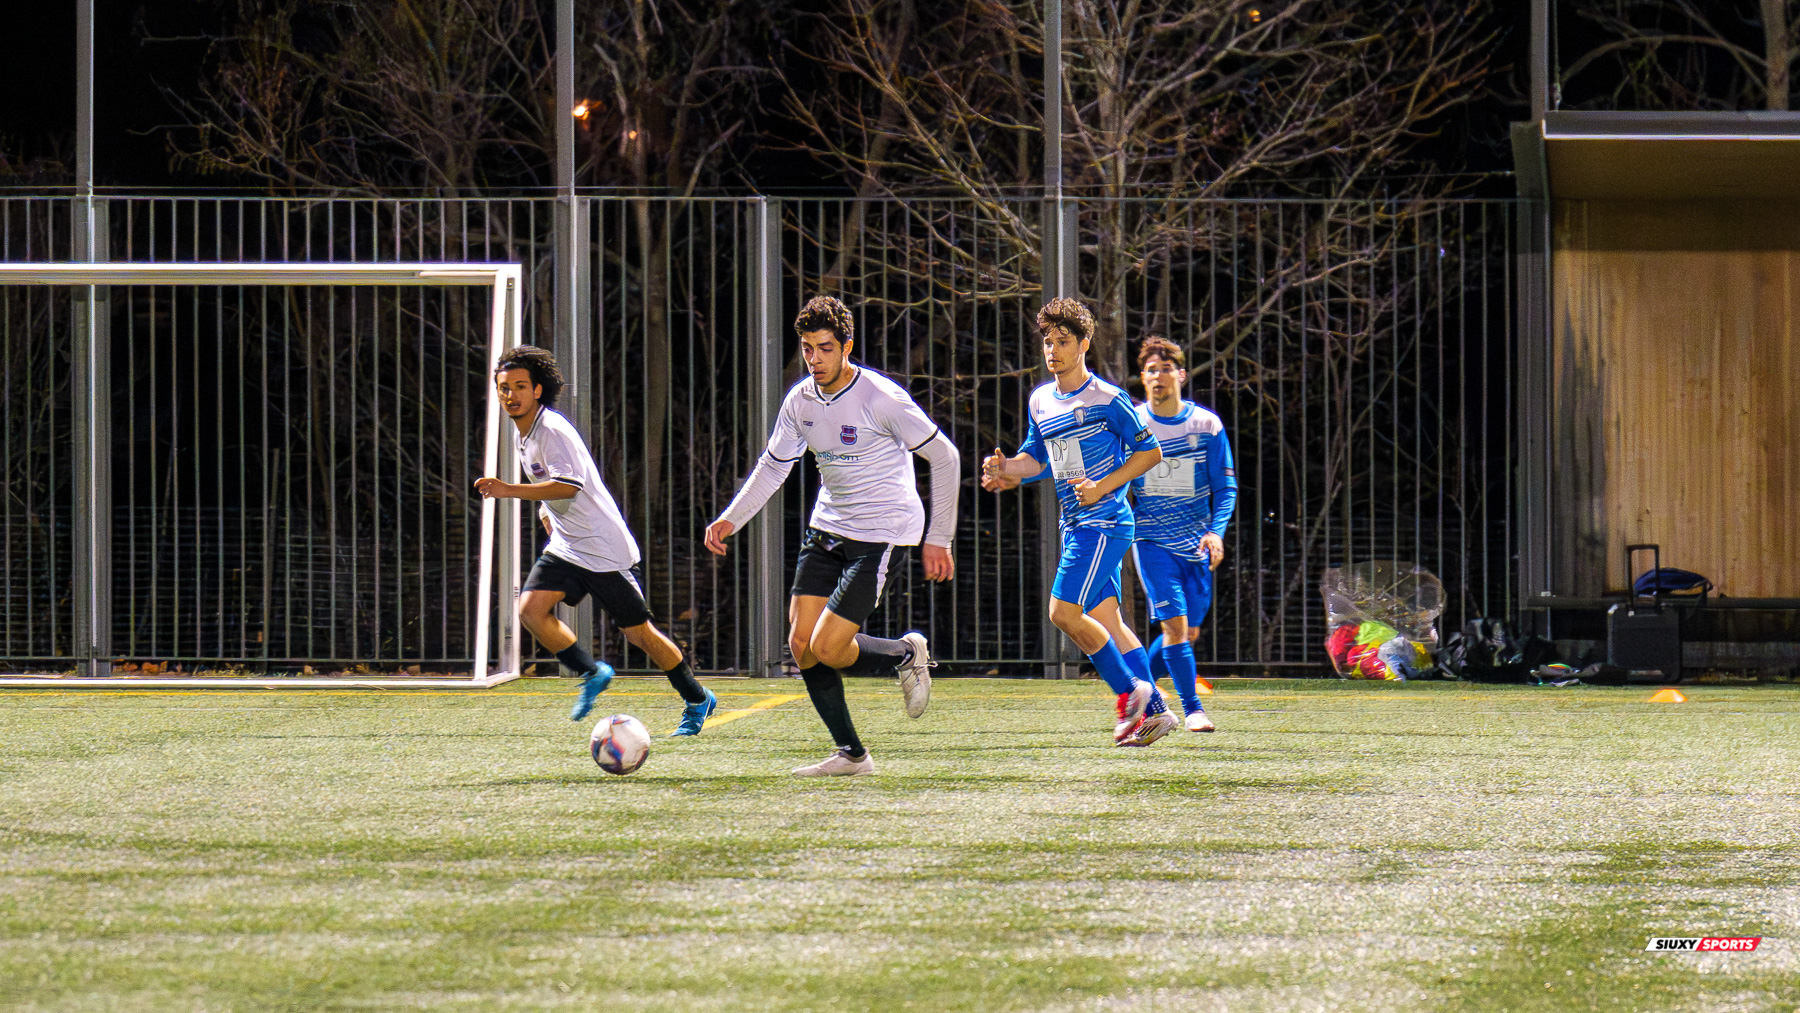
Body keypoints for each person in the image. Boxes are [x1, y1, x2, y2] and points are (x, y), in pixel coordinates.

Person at [705, 295, 958, 777]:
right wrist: (730, 518)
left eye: (825, 348)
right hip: (827, 528)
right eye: (807, 348)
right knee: (802, 645)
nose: (815, 359)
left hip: (882, 533)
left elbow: (945, 456)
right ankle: (852, 756)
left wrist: (939, 537)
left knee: (828, 649)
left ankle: (907, 653)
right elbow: (773, 465)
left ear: (847, 346)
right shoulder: (800, 400)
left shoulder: (881, 398)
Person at [474, 345, 717, 736]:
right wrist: (546, 517)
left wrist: (507, 490)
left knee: (640, 634)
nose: (511, 395)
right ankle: (592, 672)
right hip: (568, 547)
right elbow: (549, 486)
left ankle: (697, 698)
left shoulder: (551, 430)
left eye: (520, 386)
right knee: (531, 610)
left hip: (603, 550)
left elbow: (569, 486)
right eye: (504, 388)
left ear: (537, 390)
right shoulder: (525, 435)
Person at [980, 298, 1177, 746]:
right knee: (1109, 620)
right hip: (1075, 525)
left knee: (1063, 612)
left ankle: (1131, 693)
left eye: (1063, 341)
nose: (1053, 350)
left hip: (1104, 524)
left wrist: (1103, 486)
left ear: (1084, 344)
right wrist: (1006, 468)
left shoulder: (1108, 399)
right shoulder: (1040, 400)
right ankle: (1156, 713)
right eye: (1048, 342)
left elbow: (1150, 453)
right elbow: (1039, 459)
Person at [1128, 337, 1237, 732]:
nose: (1159, 376)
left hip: (1196, 545)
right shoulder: (1132, 424)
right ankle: (1193, 710)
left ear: (1181, 375)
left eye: (1166, 369)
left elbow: (1226, 488)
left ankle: (1133, 687)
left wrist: (1216, 533)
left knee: (1186, 631)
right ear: (1143, 378)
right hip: (1151, 541)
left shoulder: (1206, 425)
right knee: (1174, 627)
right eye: (1151, 370)